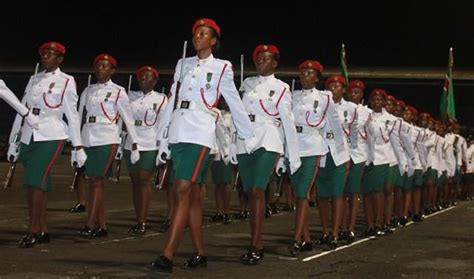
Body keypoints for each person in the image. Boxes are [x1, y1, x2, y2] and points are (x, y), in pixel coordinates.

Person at [151, 18, 255, 273]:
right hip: (178, 129)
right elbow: (172, 99)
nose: (198, 36)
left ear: (213, 41)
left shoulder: (222, 67)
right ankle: (200, 253)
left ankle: (167, 255)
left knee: (181, 189)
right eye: (197, 32)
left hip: (200, 131)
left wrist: (246, 136)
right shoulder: (182, 64)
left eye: (204, 33)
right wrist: (163, 137)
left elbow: (233, 101)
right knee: (193, 198)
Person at [7, 41, 86, 248]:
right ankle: (43, 230)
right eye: (44, 53)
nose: (45, 56)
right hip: (28, 135)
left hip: (51, 134)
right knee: (36, 186)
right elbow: (22, 109)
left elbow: (73, 115)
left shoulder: (66, 81)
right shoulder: (34, 78)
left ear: (60, 59)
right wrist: (13, 140)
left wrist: (78, 147)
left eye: (51, 54)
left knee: (34, 183)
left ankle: (33, 230)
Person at [235, 44, 301, 264]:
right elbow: (238, 114)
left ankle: (256, 244)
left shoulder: (282, 88)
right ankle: (254, 241)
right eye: (259, 58)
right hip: (245, 140)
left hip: (268, 138)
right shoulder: (247, 84)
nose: (261, 61)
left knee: (256, 190)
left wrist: (292, 155)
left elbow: (288, 123)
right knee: (249, 191)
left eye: (266, 58)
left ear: (275, 63)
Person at [77, 53, 141, 238]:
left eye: (105, 66)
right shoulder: (88, 90)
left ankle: (90, 224)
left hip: (107, 137)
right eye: (98, 66)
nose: (100, 69)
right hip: (88, 136)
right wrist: (77, 143)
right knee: (93, 182)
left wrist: (135, 143)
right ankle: (101, 225)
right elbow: (78, 114)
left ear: (112, 70)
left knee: (97, 180)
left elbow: (128, 119)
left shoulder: (119, 91)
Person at [287, 60, 341, 255]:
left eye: (310, 73)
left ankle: (296, 240)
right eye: (302, 73)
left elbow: (333, 127)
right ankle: (307, 238)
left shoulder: (325, 98)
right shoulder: (291, 96)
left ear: (317, 77)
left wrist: (338, 153)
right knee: (297, 193)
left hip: (312, 147)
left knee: (303, 193)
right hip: (293, 148)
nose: (305, 76)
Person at [316, 75, 357, 250]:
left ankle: (335, 232)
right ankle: (325, 232)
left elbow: (353, 133)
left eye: (337, 86)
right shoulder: (319, 103)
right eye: (330, 85)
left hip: (340, 153)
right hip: (322, 150)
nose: (333, 88)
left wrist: (351, 154)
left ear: (344, 89)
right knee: (322, 195)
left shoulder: (351, 108)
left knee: (337, 194)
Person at [125, 66, 167, 234]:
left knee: (144, 179)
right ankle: (138, 218)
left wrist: (164, 146)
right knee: (136, 182)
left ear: (155, 81)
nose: (144, 80)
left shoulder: (162, 99)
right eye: (141, 77)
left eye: (148, 77)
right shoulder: (129, 97)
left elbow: (164, 124)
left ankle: (143, 221)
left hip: (150, 143)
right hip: (131, 143)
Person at [341, 80, 371, 243]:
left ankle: (350, 228)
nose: (354, 94)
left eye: (357, 92)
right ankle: (340, 227)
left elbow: (370, 135)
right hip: (342, 153)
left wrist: (370, 157)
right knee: (340, 193)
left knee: (353, 192)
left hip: (358, 154)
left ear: (361, 95)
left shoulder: (366, 113)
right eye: (352, 91)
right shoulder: (341, 107)